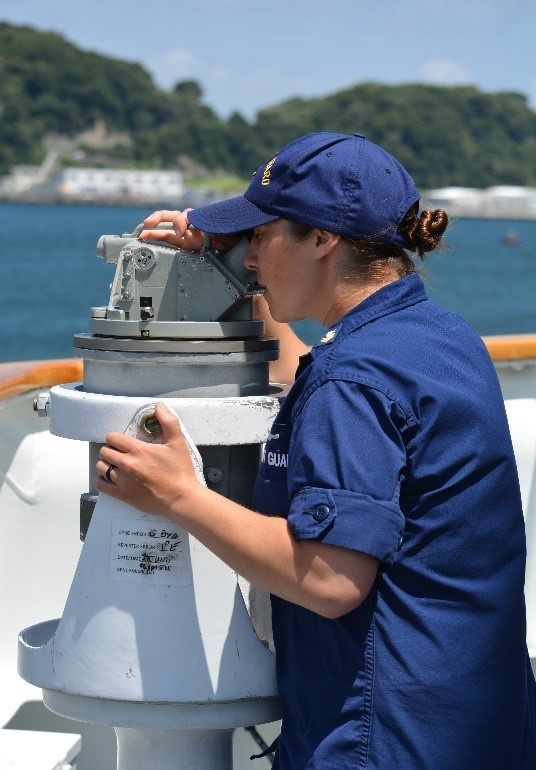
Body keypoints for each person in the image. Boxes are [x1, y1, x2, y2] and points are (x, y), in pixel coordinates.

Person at [94, 132, 536, 769]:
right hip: (469, 725)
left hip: (382, 740)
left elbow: (330, 580)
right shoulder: (433, 336)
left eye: (262, 235)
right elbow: (316, 380)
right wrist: (226, 276)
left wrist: (178, 496)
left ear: (323, 239)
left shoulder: (354, 379)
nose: (248, 257)